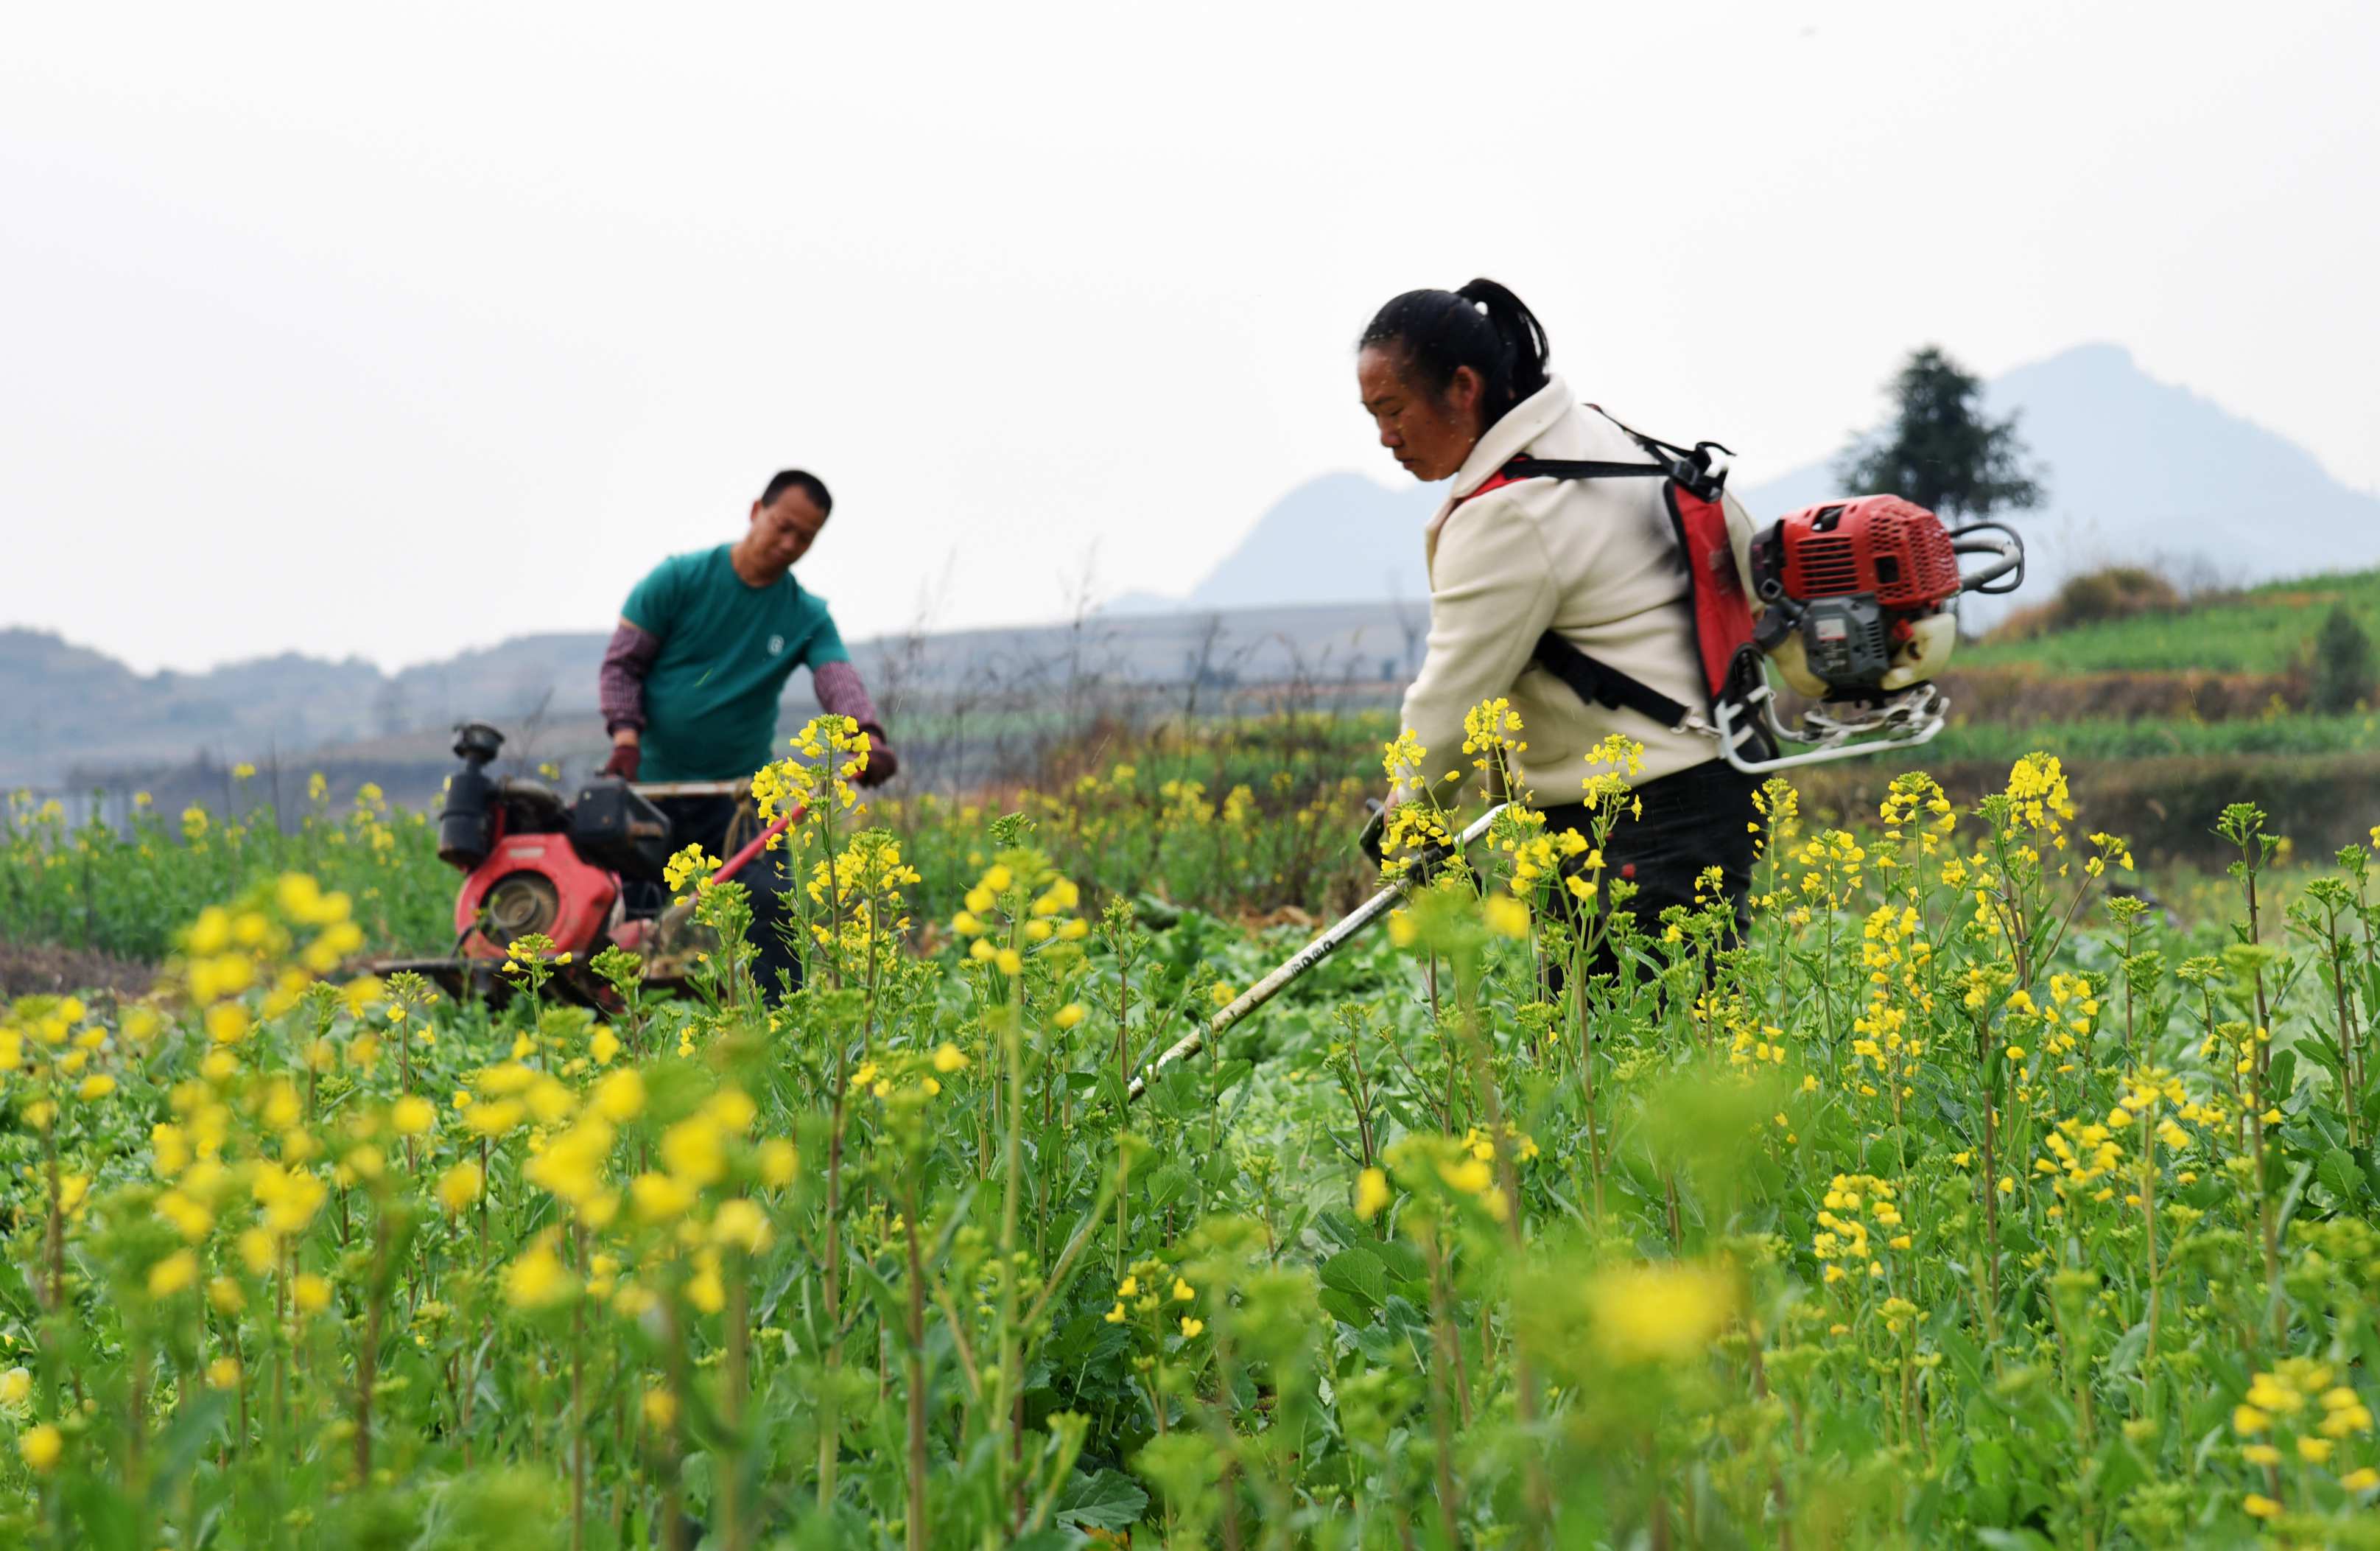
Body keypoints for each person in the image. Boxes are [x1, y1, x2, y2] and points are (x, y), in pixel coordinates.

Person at [1358, 279, 1761, 980]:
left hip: (1639, 814)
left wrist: (1407, 810)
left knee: (1620, 1066)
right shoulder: (1595, 435)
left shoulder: (1508, 511)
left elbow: (1453, 694)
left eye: (1394, 411)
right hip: (1708, 783)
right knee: (1635, 1059)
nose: (1386, 438)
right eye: (1372, 416)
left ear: (1462, 387)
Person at [597, 468, 898, 996]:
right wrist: (624, 738)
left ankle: (778, 1030)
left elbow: (837, 678)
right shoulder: (678, 580)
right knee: (627, 914)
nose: (789, 543)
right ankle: (618, 1035)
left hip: (740, 796)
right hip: (651, 788)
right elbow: (622, 666)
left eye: (804, 537)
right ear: (756, 509)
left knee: (773, 902)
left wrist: (865, 735)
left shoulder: (806, 615)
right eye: (782, 526)